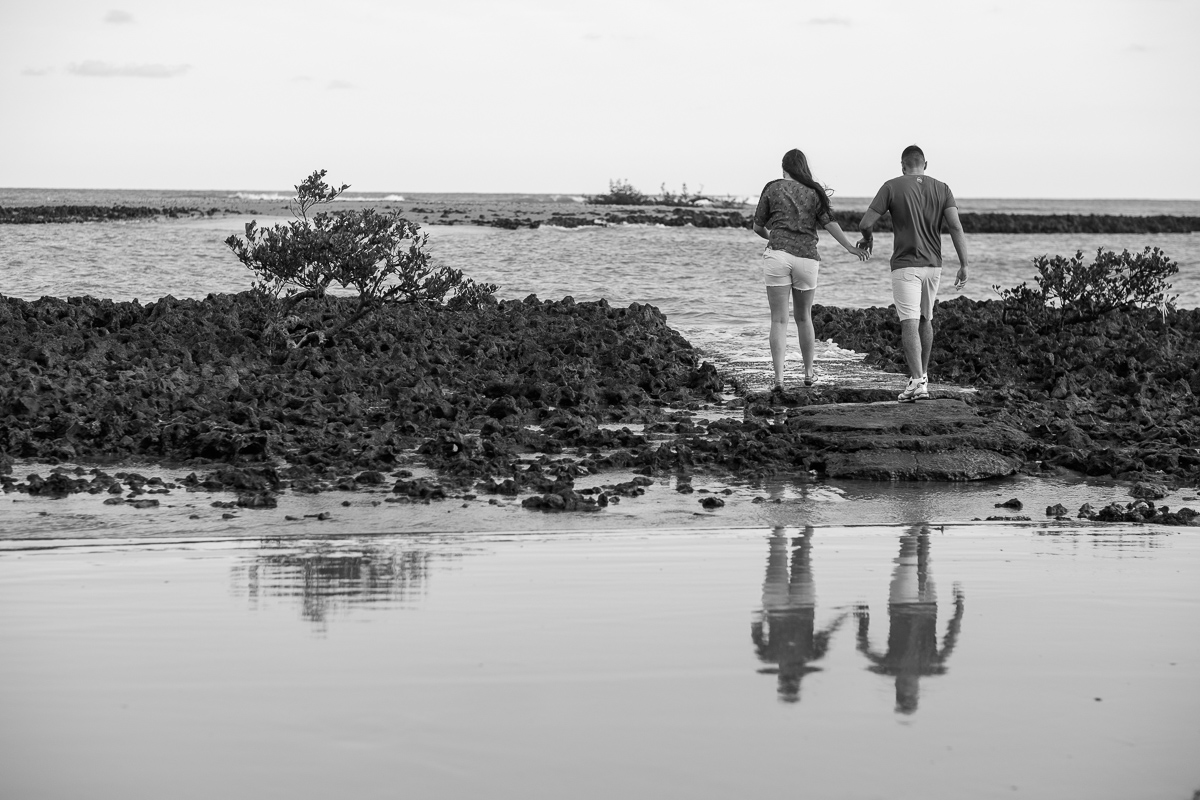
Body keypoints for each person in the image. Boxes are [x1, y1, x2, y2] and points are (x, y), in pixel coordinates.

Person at [856, 145, 970, 402]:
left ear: (902, 164)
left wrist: (868, 239)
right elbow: (955, 226)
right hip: (934, 266)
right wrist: (964, 264)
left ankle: (918, 381)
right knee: (925, 319)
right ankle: (921, 378)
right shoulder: (943, 188)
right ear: (925, 164)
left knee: (908, 321)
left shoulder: (891, 186)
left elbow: (865, 223)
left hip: (906, 264)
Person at [754, 149, 869, 390]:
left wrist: (771, 237)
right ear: (803, 167)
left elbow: (757, 226)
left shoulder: (772, 188)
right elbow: (829, 223)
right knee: (804, 317)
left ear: (783, 167)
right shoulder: (814, 192)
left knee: (778, 320)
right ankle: (808, 374)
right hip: (807, 259)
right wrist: (849, 247)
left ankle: (778, 379)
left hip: (778, 255)